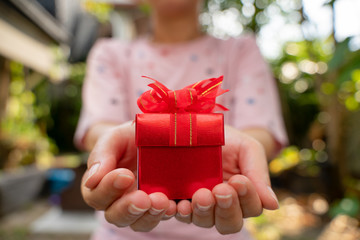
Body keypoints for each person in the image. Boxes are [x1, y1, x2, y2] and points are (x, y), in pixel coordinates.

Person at [75, 0, 288, 239]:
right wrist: (110, 146)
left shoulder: (242, 50)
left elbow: (259, 129)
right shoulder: (110, 53)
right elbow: (100, 126)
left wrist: (243, 150)